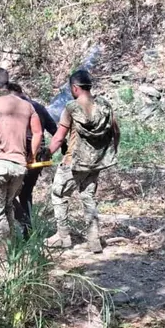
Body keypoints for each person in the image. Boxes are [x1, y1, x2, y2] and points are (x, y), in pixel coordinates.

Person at [45, 70, 120, 253]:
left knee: (59, 194)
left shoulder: (71, 107)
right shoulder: (104, 105)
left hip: (74, 162)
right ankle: (94, 239)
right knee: (88, 197)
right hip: (95, 162)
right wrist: (107, 153)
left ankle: (62, 237)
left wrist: (46, 152)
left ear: (75, 88)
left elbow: (58, 138)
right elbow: (115, 131)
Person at [0, 68, 43, 239]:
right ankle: (13, 246)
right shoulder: (26, 105)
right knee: (7, 205)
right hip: (19, 166)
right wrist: (32, 155)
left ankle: (3, 248)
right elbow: (38, 133)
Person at [8, 82, 60, 238]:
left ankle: (25, 225)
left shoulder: (15, 109)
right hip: (36, 158)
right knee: (25, 193)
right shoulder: (38, 106)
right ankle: (27, 228)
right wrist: (49, 151)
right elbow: (55, 131)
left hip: (20, 156)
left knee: (6, 195)